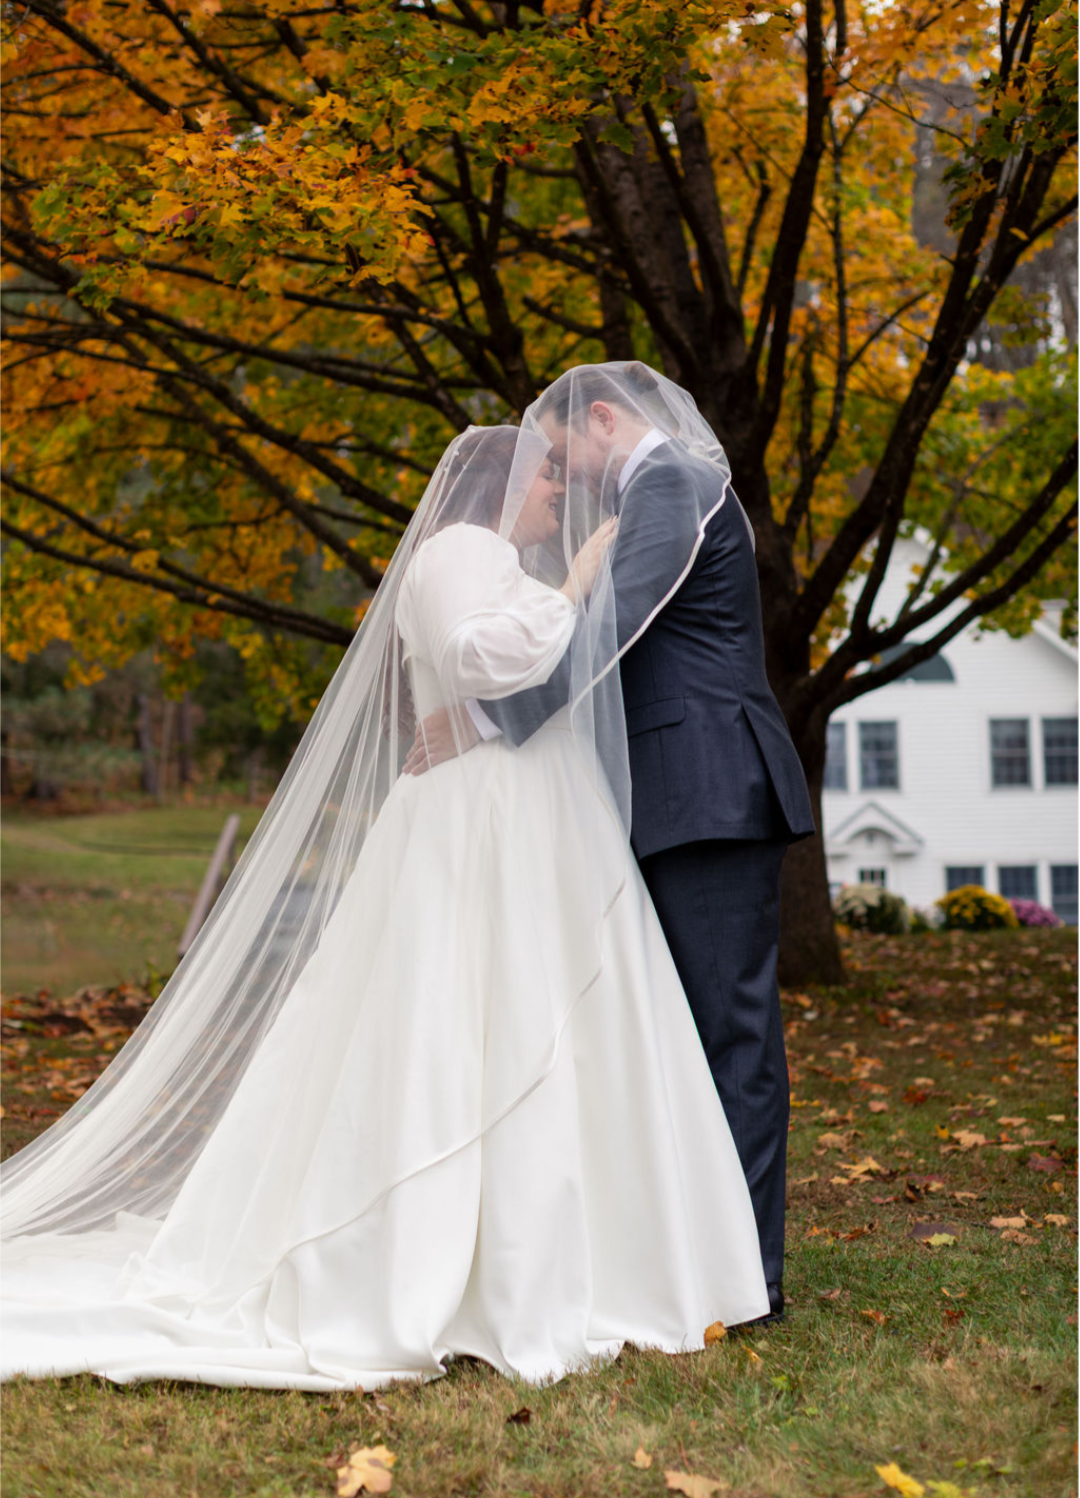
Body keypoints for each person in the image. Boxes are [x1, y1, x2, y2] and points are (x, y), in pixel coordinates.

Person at [0, 414, 768, 1391]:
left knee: (554, 1021)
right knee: (469, 1026)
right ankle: (456, 1262)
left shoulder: (495, 560)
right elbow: (482, 657)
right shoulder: (459, 552)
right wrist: (577, 586)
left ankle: (580, 1250)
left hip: (531, 815)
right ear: (500, 486)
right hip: (480, 821)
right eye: (544, 478)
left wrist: (558, 603)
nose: (557, 494)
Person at [406, 364, 816, 1321]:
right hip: (676, 793)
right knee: (685, 1036)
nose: (560, 475)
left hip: (708, 790)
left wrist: (487, 720)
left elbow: (611, 628)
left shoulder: (668, 483)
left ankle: (750, 1277)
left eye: (561, 454)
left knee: (730, 1036)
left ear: (601, 419)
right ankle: (699, 1257)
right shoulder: (655, 493)